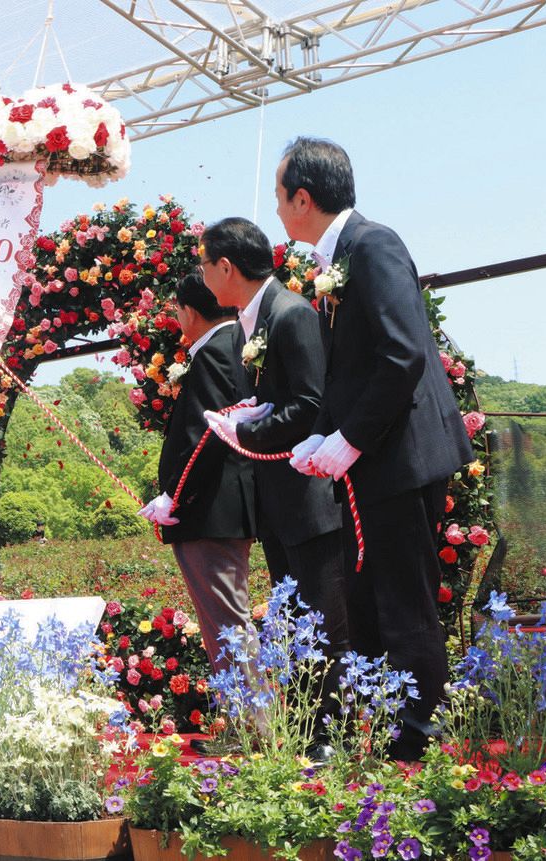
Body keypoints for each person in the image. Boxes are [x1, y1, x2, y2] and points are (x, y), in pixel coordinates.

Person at [275, 137, 473, 760]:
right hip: (376, 461)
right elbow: (353, 370)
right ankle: (388, 731)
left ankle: (420, 743)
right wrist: (322, 431)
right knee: (370, 596)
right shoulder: (338, 259)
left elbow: (402, 353)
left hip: (400, 458)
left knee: (401, 594)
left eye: (279, 197)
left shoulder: (373, 244)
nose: (277, 210)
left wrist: (350, 438)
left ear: (302, 198)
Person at [199, 217, 351, 760]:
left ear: (226, 267)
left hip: (311, 501)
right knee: (296, 629)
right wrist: (249, 412)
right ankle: (310, 738)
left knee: (325, 624)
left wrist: (246, 429)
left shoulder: (290, 314)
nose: (202, 274)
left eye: (203, 263)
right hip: (280, 505)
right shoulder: (253, 320)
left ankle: (335, 741)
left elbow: (311, 405)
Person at [138, 271, 257, 675]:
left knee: (226, 624)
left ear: (189, 311)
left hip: (209, 511)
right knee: (222, 623)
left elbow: (207, 434)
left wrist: (174, 495)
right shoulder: (235, 344)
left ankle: (254, 731)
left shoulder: (216, 352)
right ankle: (245, 726)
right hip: (217, 508)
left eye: (176, 308)